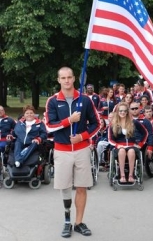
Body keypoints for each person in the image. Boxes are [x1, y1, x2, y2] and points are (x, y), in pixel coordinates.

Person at [45, 66, 100, 238]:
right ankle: (67, 221)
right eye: (63, 78)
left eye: (69, 77)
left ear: (74, 78)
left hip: (82, 149)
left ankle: (79, 222)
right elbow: (49, 126)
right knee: (65, 187)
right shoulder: (53, 101)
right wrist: (69, 120)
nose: (67, 80)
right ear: (58, 80)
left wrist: (82, 136)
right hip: (62, 151)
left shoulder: (85, 99)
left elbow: (96, 124)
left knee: (82, 187)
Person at [108, 102, 148, 183]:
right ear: (118, 112)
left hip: (132, 145)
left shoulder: (134, 122)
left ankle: (131, 175)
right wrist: (116, 145)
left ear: (127, 112)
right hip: (119, 147)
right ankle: (122, 175)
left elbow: (145, 133)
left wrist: (140, 144)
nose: (123, 112)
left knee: (131, 151)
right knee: (122, 151)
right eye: (121, 111)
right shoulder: (113, 124)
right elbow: (110, 139)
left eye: (125, 111)